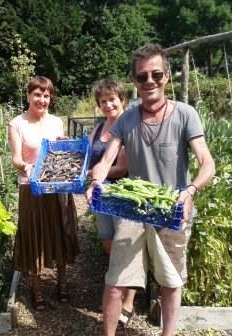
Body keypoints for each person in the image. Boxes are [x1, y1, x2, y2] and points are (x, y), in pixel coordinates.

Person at [86, 44, 215, 336]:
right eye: (142, 77)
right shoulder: (127, 119)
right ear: (134, 82)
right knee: (116, 281)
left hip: (172, 210)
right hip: (132, 213)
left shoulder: (185, 114)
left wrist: (191, 190)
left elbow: (207, 162)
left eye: (156, 74)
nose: (150, 81)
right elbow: (107, 160)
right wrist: (96, 182)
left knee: (170, 283)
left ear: (167, 76)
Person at [8, 75, 79, 311]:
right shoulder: (17, 123)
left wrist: (65, 146)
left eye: (46, 95)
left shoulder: (57, 122)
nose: (42, 99)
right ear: (28, 95)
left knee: (60, 232)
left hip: (57, 186)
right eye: (37, 94)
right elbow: (16, 159)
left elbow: (61, 152)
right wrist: (28, 167)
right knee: (34, 237)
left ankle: (62, 284)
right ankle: (36, 289)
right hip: (32, 188)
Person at [88, 79, 136, 328]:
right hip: (101, 195)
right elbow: (88, 155)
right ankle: (115, 292)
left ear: (122, 100)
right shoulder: (98, 128)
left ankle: (127, 301)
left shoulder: (129, 125)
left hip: (125, 195)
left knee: (124, 245)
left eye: (112, 99)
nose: (108, 104)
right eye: (103, 101)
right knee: (108, 241)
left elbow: (123, 167)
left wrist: (99, 173)